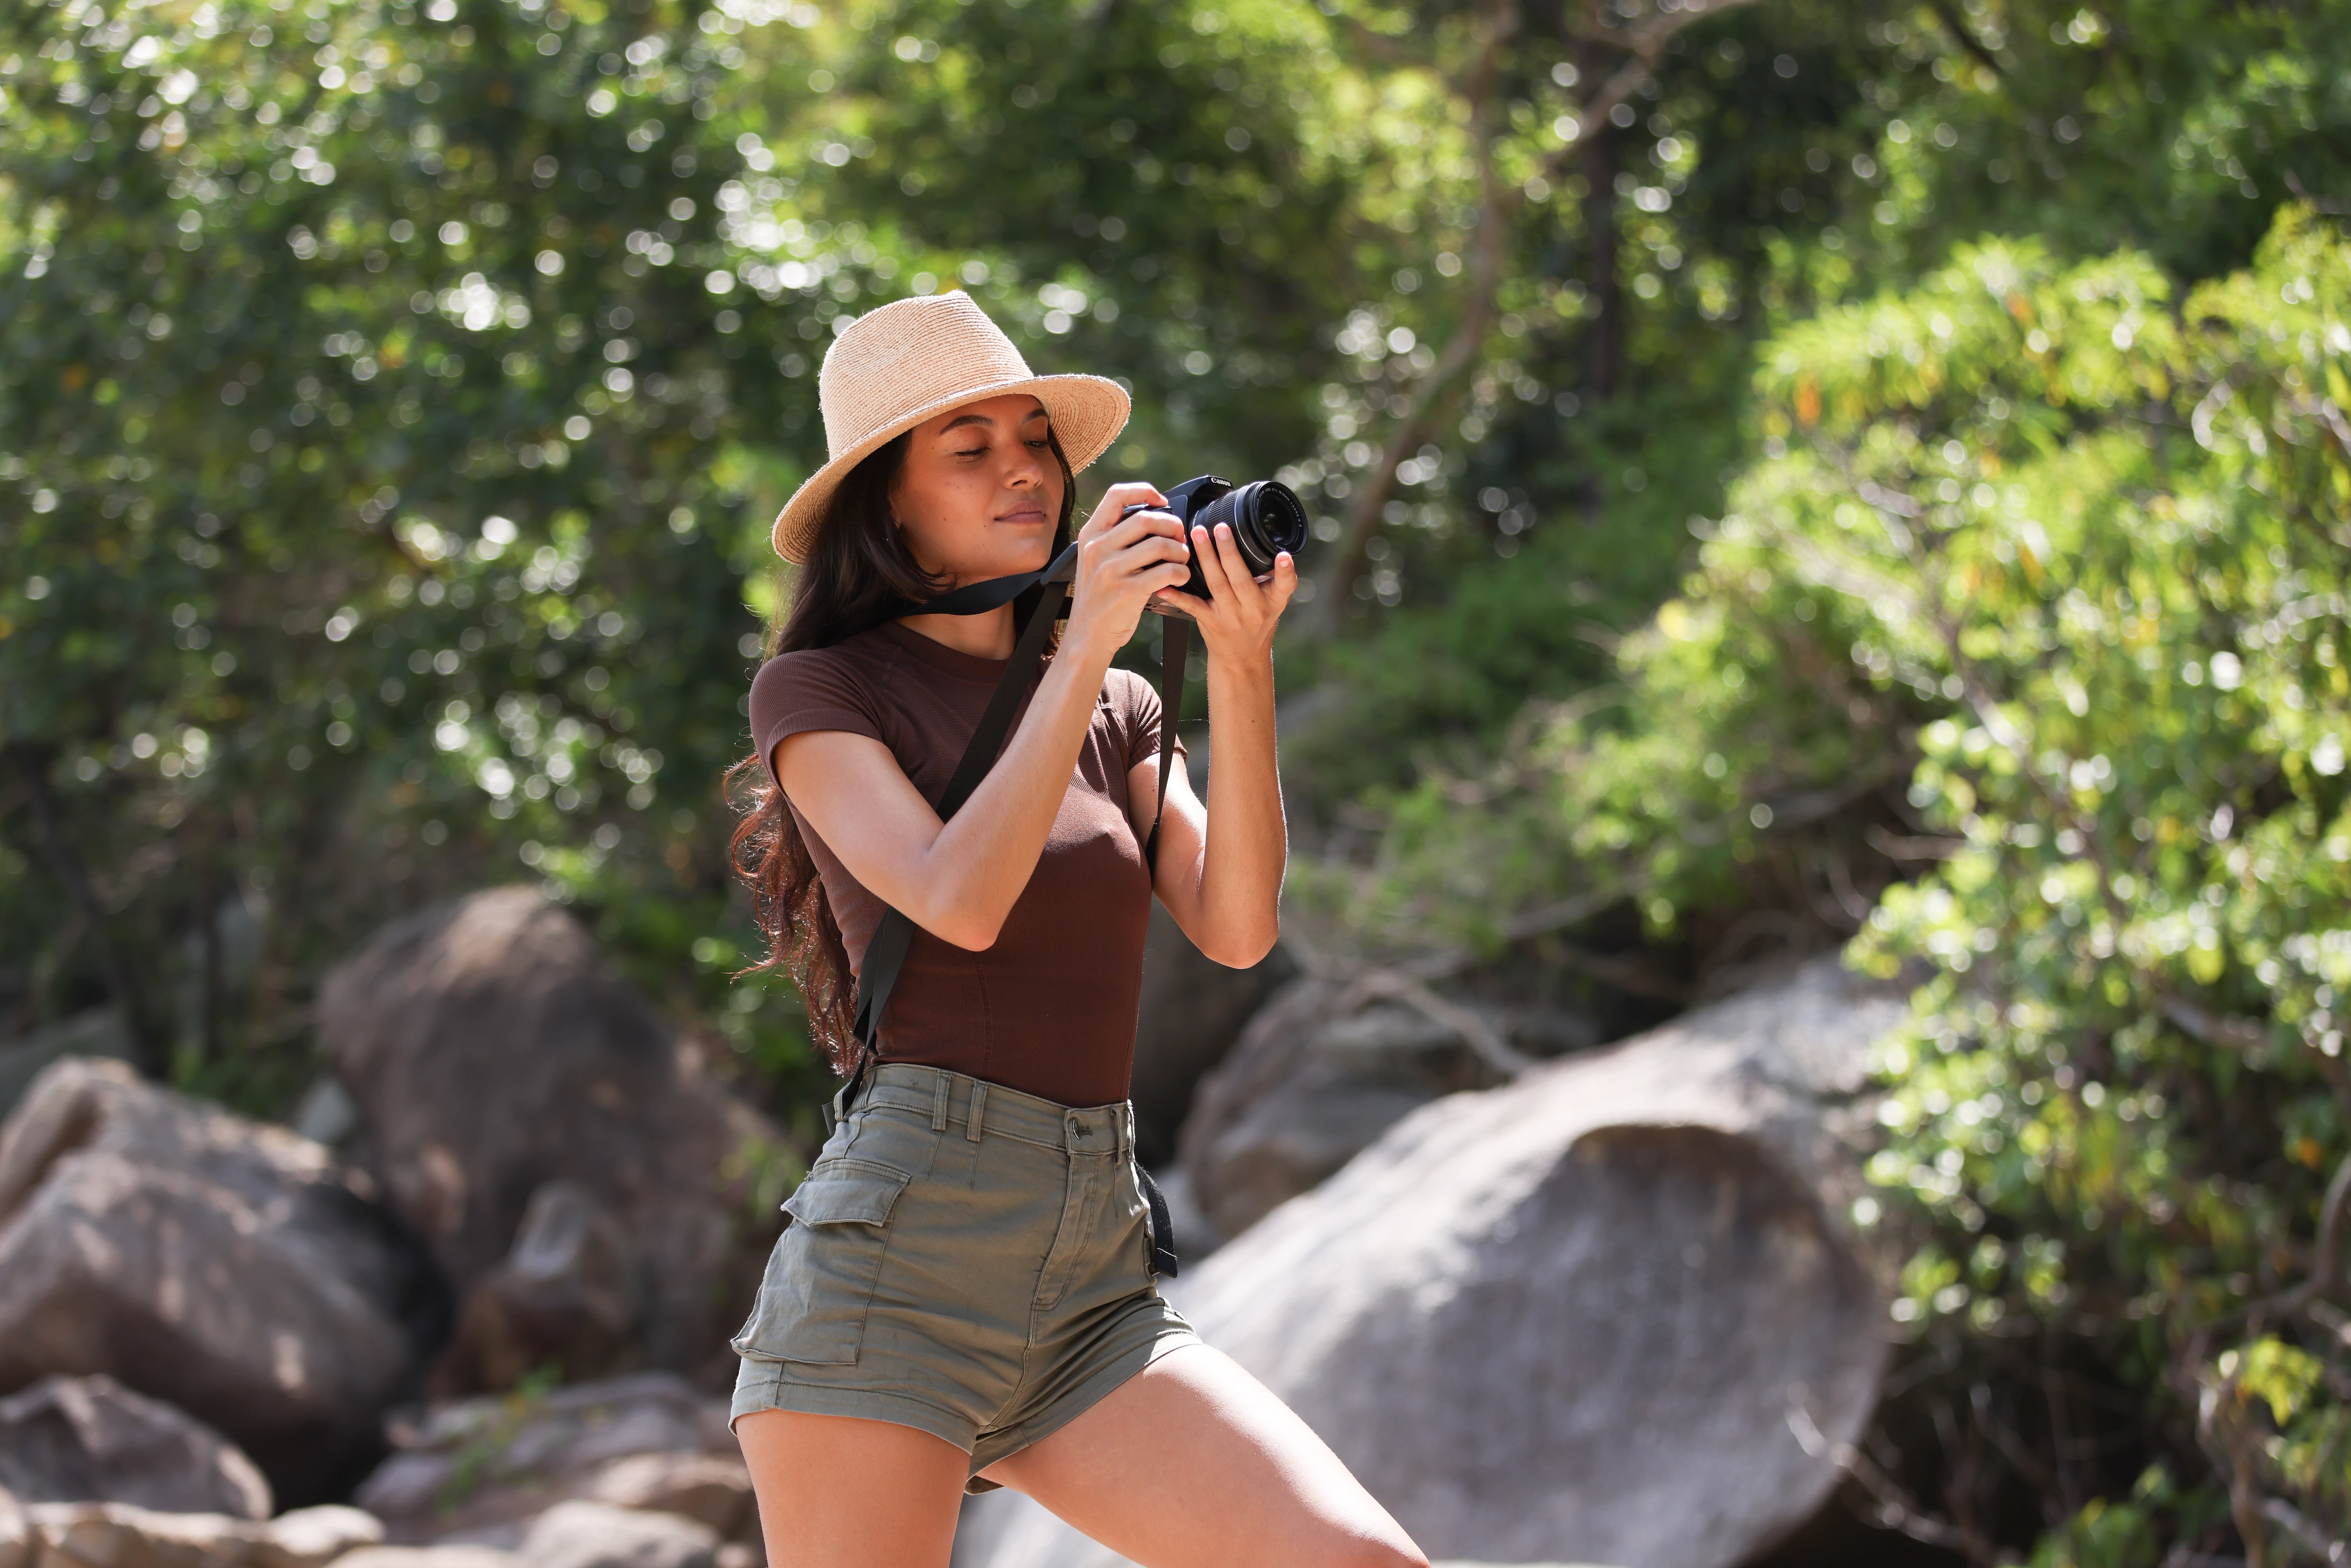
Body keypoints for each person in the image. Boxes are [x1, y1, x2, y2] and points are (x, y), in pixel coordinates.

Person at [724, 290, 1429, 1568]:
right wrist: (1088, 633)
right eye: (971, 446)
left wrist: (1237, 659)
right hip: (902, 1267)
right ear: (888, 498)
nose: (1023, 471)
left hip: (1091, 1278)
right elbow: (956, 896)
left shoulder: (1118, 704)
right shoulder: (822, 692)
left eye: (1035, 439)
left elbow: (1237, 926)